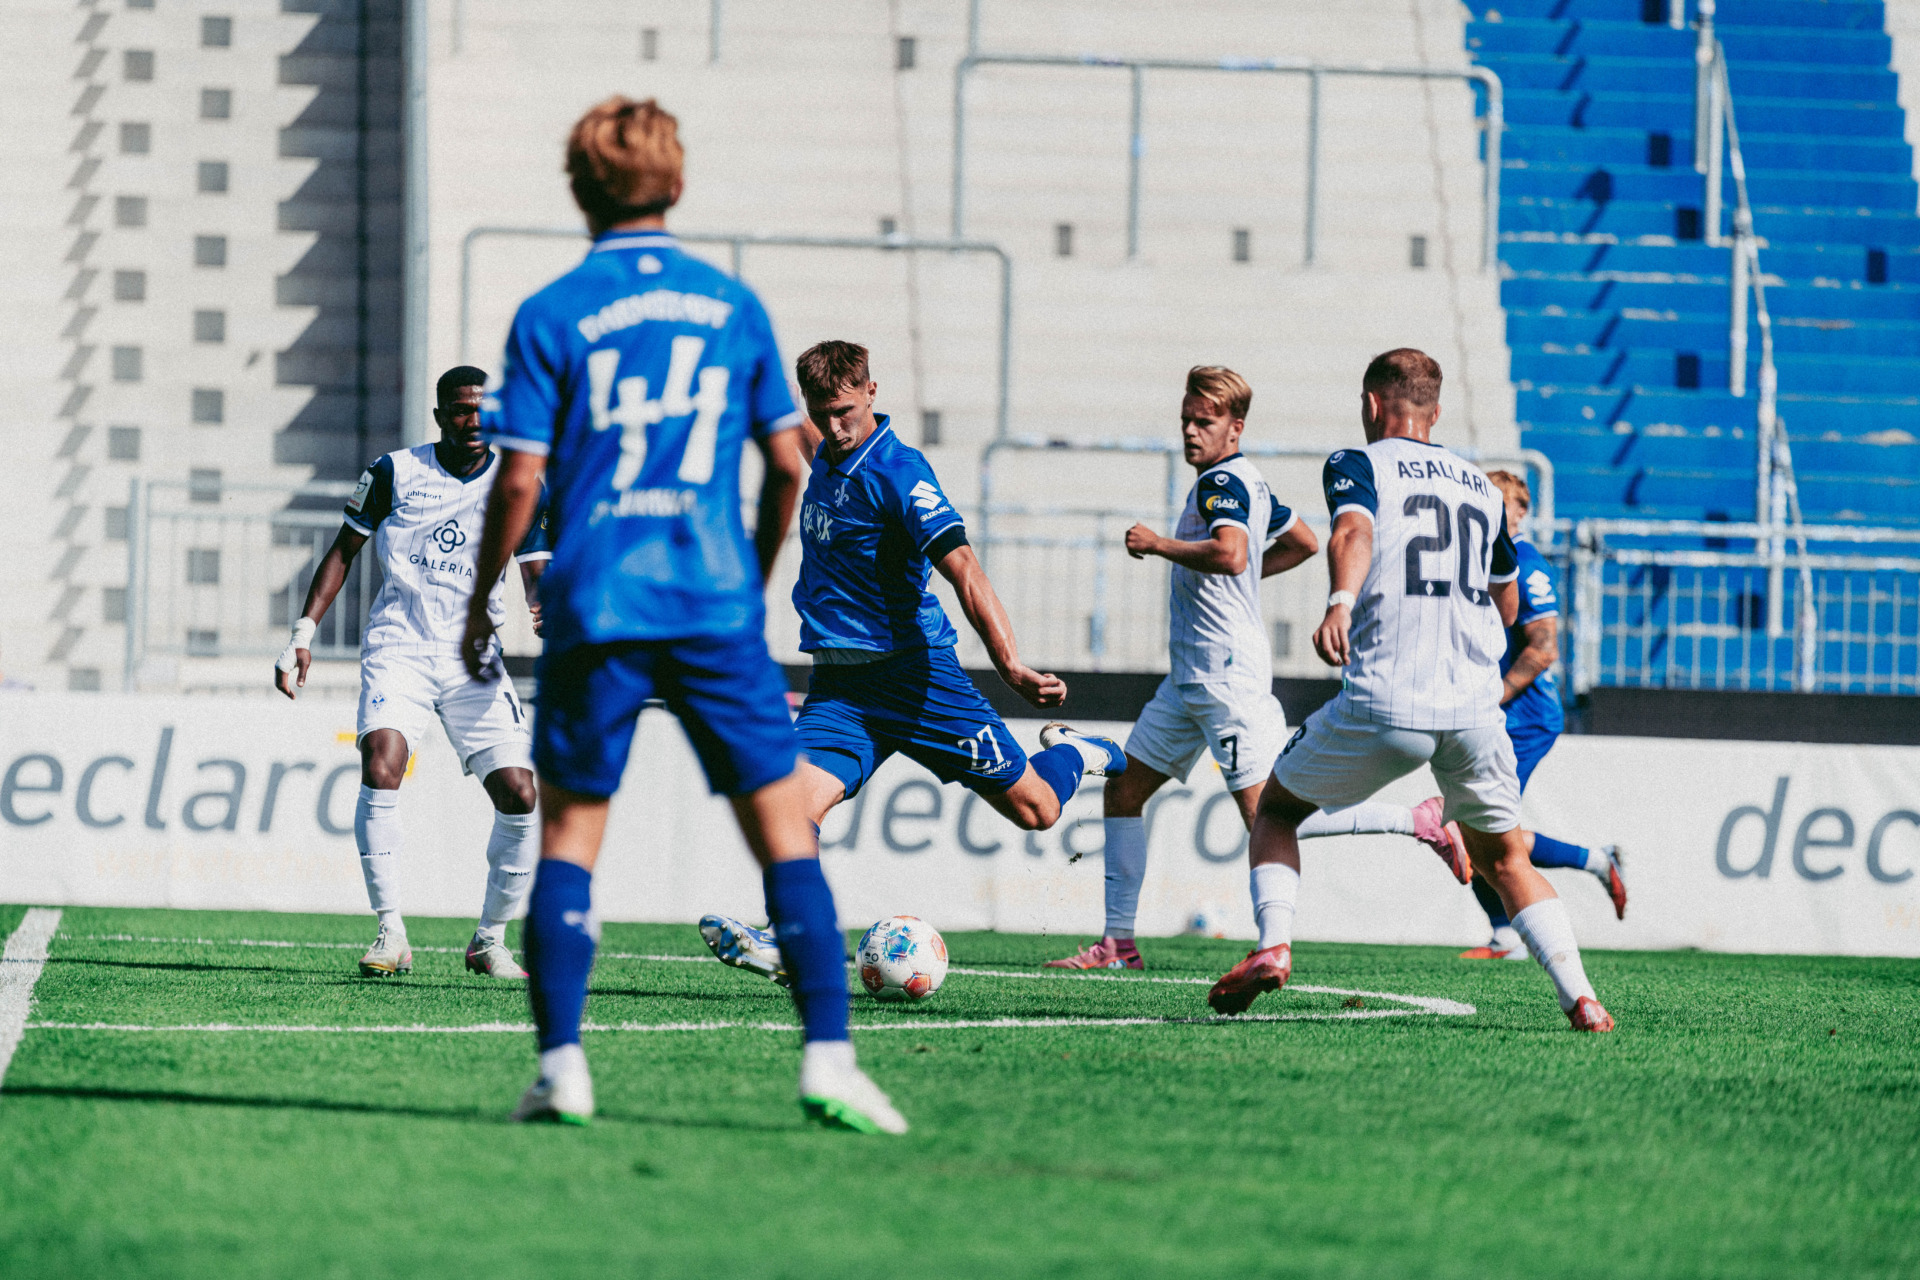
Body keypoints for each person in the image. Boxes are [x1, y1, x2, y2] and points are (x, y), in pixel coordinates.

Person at [461, 97, 906, 1133]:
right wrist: (748, 576)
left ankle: (563, 1068)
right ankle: (829, 1061)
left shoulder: (549, 311)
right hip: (710, 603)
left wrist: (480, 600)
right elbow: (788, 465)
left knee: (572, 835)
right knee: (783, 832)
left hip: (597, 601)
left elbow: (519, 480)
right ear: (679, 182)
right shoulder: (731, 304)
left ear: (580, 190)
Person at [1207, 349, 1614, 1032]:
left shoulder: (1358, 463)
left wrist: (1341, 601)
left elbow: (1354, 529)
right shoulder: (1483, 488)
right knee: (1506, 859)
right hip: (1475, 708)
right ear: (1436, 412)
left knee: (1275, 810)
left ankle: (1274, 945)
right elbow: (1509, 605)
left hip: (1388, 696)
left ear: (1372, 405)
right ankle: (1582, 998)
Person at [697, 341, 1127, 987]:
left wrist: (1010, 666)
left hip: (918, 680)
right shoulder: (824, 450)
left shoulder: (900, 473)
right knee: (789, 808)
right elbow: (787, 426)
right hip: (840, 690)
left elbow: (964, 569)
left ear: (872, 392)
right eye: (820, 413)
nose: (833, 426)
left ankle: (1077, 751)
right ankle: (791, 941)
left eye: (844, 411)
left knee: (1037, 810)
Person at [1044, 366, 1472, 972]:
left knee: (1270, 813)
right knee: (1124, 790)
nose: (1191, 431)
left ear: (1235, 427)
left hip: (1226, 678)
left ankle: (1418, 820)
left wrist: (1160, 544)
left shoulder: (1222, 482)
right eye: (1187, 419)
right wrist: (1243, 578)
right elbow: (1301, 541)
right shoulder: (1246, 481)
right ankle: (1119, 943)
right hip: (1189, 679)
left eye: (1205, 421)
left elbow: (1231, 552)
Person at [274, 364, 549, 981]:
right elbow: (343, 551)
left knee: (521, 794)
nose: (473, 419)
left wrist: (546, 605)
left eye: (482, 408)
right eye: (460, 409)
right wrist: (302, 634)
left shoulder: (521, 481)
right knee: (382, 763)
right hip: (401, 645)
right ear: (439, 416)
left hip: (476, 655)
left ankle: (489, 941)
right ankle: (391, 931)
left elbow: (535, 569)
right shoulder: (394, 471)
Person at [1458, 470, 1626, 959]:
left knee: (1481, 828)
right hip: (1495, 716)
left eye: (1501, 503)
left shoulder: (1527, 564)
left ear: (1521, 511)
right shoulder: (1480, 561)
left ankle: (1593, 865)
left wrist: (1494, 695)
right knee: (1471, 825)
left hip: (1524, 717)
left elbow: (1544, 648)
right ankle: (1505, 934)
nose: (1490, 511)